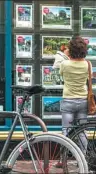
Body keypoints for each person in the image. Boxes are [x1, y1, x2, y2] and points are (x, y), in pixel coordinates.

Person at [56, 36, 91, 167]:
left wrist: (66, 56)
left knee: (66, 130)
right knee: (82, 131)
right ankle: (82, 160)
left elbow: (61, 74)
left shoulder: (65, 64)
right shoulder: (87, 64)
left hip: (68, 100)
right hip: (83, 100)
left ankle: (63, 159)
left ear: (71, 50)